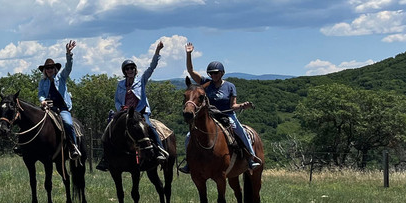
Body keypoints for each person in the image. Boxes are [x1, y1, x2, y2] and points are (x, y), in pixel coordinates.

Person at [183, 42, 262, 170]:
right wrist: (188, 54)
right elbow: (191, 71)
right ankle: (189, 162)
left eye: (216, 73)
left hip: (227, 115)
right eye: (211, 73)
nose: (213, 75)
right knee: (188, 137)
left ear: (222, 73)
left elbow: (233, 105)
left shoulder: (230, 86)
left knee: (241, 132)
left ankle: (250, 159)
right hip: (210, 115)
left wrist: (242, 105)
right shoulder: (205, 83)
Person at [96, 41, 168, 171]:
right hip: (124, 113)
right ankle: (106, 158)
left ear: (135, 70)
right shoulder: (120, 84)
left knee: (149, 126)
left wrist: (157, 51)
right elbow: (117, 100)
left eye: (132, 68)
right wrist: (121, 109)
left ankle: (159, 151)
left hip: (140, 112)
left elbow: (151, 67)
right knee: (108, 129)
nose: (130, 70)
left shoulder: (141, 80)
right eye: (127, 69)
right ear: (124, 71)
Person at [37, 40, 81, 162]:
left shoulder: (61, 77)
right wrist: (42, 101)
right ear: (44, 70)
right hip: (48, 108)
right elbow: (40, 94)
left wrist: (69, 54)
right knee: (33, 120)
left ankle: (73, 146)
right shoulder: (43, 82)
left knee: (68, 123)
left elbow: (68, 67)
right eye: (47, 68)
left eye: (51, 67)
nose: (49, 70)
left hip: (62, 108)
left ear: (55, 69)